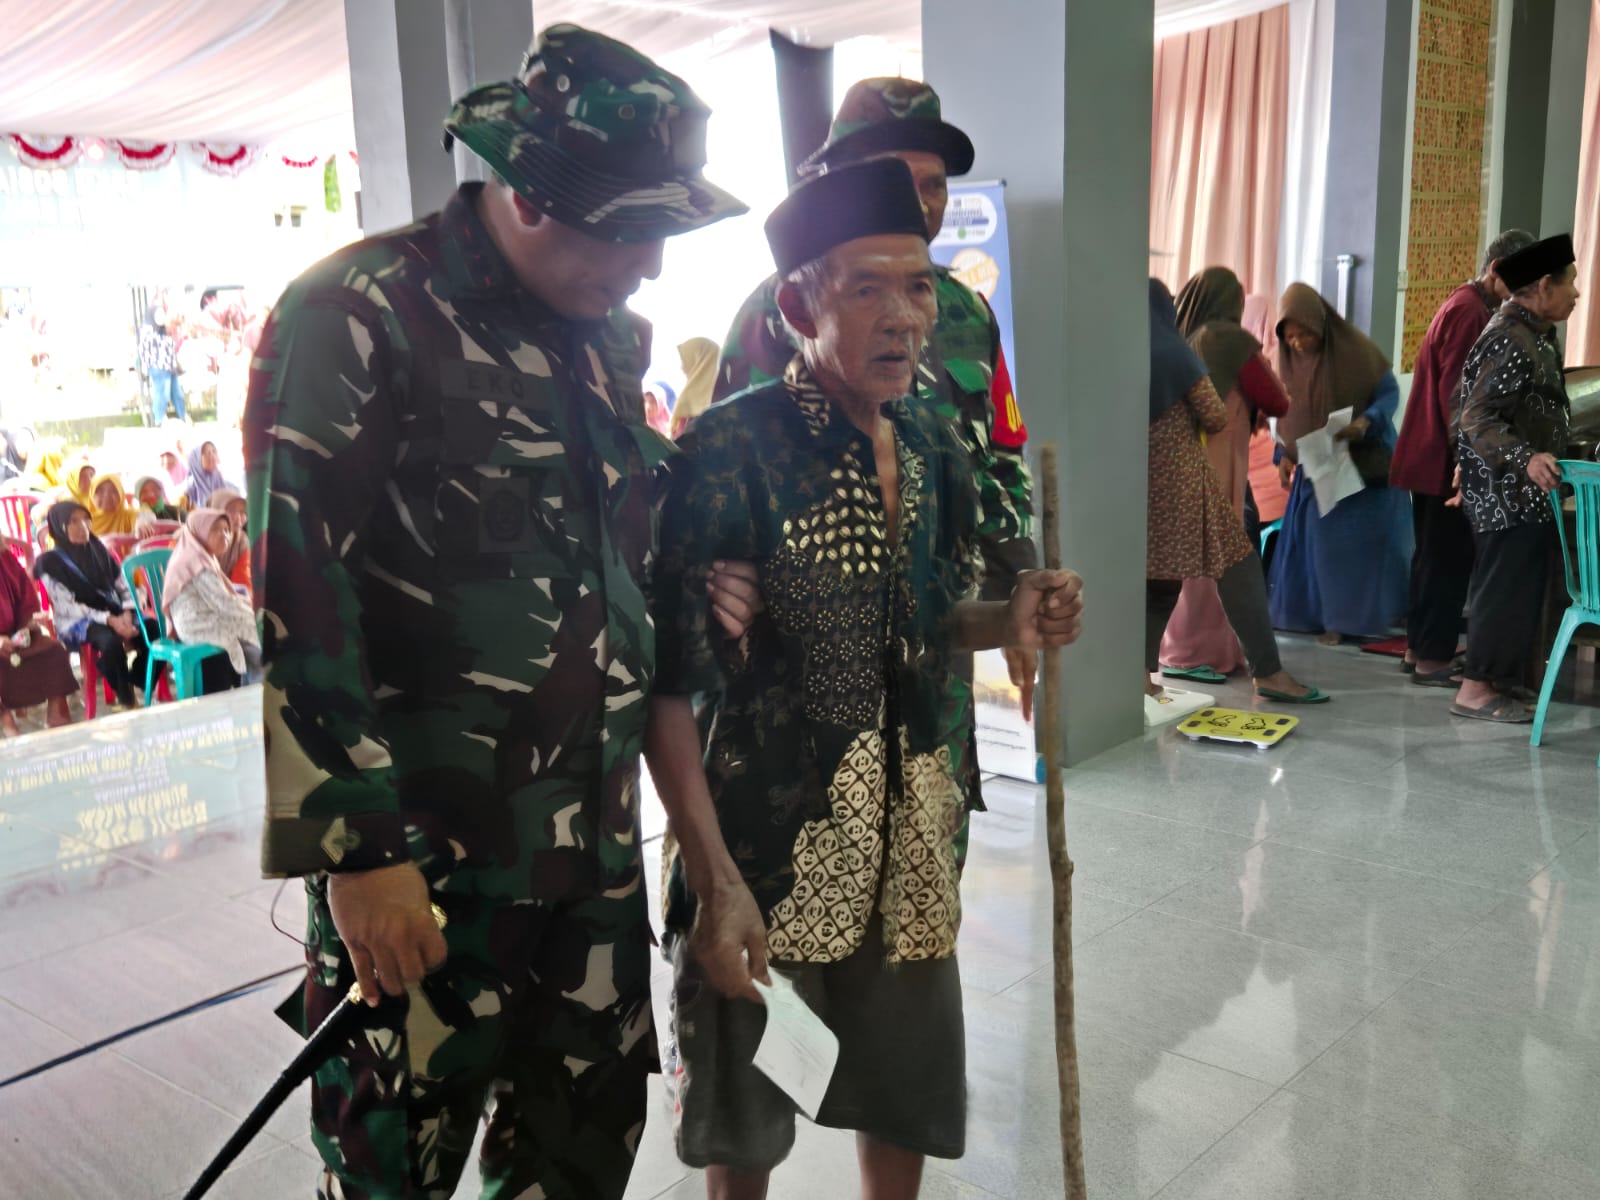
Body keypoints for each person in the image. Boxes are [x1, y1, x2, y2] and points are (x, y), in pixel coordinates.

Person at [243, 25, 748, 1198]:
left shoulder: (604, 342)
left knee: (580, 1160)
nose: (652, 267)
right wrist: (359, 857)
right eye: (632, 230)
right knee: (394, 1172)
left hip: (591, 867)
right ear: (528, 195)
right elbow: (301, 593)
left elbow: (619, 570)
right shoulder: (356, 314)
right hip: (427, 871)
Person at [647, 158, 1085, 1200]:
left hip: (911, 833)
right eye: (866, 289)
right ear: (799, 305)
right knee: (746, 1120)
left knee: (904, 1090)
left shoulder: (933, 440)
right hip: (764, 843)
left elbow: (929, 623)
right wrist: (713, 879)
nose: (904, 317)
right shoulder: (728, 450)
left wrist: (1010, 616)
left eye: (918, 286)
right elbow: (668, 690)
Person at [716, 75, 1040, 767]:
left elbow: (999, 454)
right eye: (897, 179)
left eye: (934, 185)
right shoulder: (777, 312)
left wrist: (1013, 591)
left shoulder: (964, 310)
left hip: (938, 625)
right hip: (807, 648)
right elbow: (728, 484)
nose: (921, 204)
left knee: (934, 801)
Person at [1145, 280, 1324, 704]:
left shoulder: (1125, 351)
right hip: (1187, 481)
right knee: (1240, 567)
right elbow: (1213, 415)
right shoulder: (1178, 352)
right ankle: (1269, 673)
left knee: (1160, 583)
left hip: (1140, 484)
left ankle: (1140, 675)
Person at [1390, 229, 1537, 686]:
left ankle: (1419, 649)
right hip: (1442, 461)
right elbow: (1459, 397)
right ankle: (1432, 659)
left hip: (1431, 456)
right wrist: (1466, 462)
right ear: (1495, 271)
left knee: (1432, 558)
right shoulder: (1470, 313)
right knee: (1446, 561)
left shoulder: (1467, 304)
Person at [1451, 233, 1579, 723]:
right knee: (1501, 589)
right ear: (1544, 286)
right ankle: (1474, 691)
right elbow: (1476, 416)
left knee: (1520, 589)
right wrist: (1525, 458)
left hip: (1526, 493)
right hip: (1505, 492)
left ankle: (1498, 681)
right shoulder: (1509, 336)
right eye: (1570, 283)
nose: (1576, 294)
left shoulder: (1536, 332)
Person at [1161, 267, 1293, 680]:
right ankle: (1199, 652)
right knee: (1219, 556)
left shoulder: (1179, 338)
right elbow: (1276, 398)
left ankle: (1177, 648)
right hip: (1219, 459)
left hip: (1176, 459)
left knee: (1182, 554)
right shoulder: (1230, 340)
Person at [1269, 284, 1414, 643]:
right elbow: (1285, 415)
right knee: (1323, 550)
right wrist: (1283, 455)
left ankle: (1354, 620)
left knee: (1362, 550)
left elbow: (1388, 393)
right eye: (1290, 336)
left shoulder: (1356, 352)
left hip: (1365, 467)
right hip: (1320, 468)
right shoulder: (1286, 364)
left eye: (1304, 333)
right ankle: (1330, 618)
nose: (1298, 343)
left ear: (1320, 324)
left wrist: (1366, 422)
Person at [33, 502, 156, 708]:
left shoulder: (98, 549)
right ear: (59, 526)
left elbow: (122, 584)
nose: (82, 526)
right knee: (110, 643)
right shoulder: (49, 562)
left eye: (86, 520)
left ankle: (136, 679)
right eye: (73, 521)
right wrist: (111, 620)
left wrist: (127, 612)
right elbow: (69, 606)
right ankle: (127, 698)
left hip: (114, 609)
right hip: (79, 619)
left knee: (153, 629)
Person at [163, 509, 259, 692]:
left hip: (206, 616)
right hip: (197, 623)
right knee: (257, 631)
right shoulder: (197, 562)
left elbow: (225, 597)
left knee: (254, 628)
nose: (224, 535)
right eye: (215, 530)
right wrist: (254, 613)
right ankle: (256, 689)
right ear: (199, 531)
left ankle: (252, 686)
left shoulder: (199, 554)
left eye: (226, 530)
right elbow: (225, 603)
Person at [0, 547, 77, 735]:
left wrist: (25, 626)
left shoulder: (5, 558)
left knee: (53, 650)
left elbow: (26, 599)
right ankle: (6, 720)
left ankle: (56, 714)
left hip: (15, 632)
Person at [140, 302, 186, 427]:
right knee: (162, 392)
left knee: (177, 393)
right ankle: (159, 420)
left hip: (170, 367)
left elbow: (170, 350)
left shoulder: (167, 332)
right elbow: (144, 348)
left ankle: (183, 416)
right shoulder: (150, 330)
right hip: (158, 366)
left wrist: (176, 365)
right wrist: (145, 364)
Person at [670, 336, 719, 438]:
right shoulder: (729, 396)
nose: (682, 367)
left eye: (684, 361)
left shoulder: (688, 400)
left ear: (698, 361)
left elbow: (678, 441)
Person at [203, 487, 251, 590]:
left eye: (242, 512)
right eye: (231, 510)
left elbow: (242, 582)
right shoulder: (193, 537)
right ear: (214, 509)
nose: (238, 517)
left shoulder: (241, 542)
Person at [179, 442, 229, 508]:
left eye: (214, 451)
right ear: (196, 461)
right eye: (207, 453)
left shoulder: (223, 483)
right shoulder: (188, 493)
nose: (212, 455)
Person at [89, 472, 136, 537]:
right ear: (92, 494)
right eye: (101, 491)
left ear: (121, 495)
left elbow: (143, 516)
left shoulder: (129, 515)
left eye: (114, 491)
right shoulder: (85, 520)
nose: (107, 495)